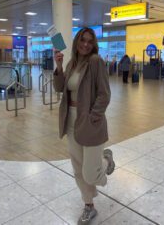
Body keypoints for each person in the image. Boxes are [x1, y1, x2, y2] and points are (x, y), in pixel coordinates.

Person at [53, 27, 115, 225]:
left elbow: (104, 94)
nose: (86, 44)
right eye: (82, 40)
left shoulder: (96, 62)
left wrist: (93, 116)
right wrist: (59, 67)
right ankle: (89, 206)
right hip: (70, 121)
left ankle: (106, 160)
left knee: (91, 173)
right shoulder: (72, 63)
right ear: (77, 42)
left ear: (94, 43)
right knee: (79, 170)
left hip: (89, 122)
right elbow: (59, 88)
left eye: (90, 41)